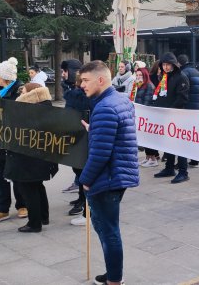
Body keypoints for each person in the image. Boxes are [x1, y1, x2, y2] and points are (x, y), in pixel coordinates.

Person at [77, 61, 141, 285]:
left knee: (108, 231)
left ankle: (114, 280)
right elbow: (115, 136)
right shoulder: (119, 100)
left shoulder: (104, 107)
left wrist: (85, 180)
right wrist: (94, 129)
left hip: (108, 177)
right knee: (107, 228)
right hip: (117, 174)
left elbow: (101, 153)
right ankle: (113, 273)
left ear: (101, 80)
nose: (82, 85)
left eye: (86, 80)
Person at [6, 83, 59, 232]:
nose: (20, 92)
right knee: (37, 186)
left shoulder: (27, 109)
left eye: (23, 90)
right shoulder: (44, 107)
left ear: (30, 93)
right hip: (39, 158)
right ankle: (43, 216)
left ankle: (34, 223)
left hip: (27, 158)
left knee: (29, 189)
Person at [0, 58, 26, 224]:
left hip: (14, 142)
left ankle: (22, 205)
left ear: (5, 77)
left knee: (16, 176)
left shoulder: (20, 91)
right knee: (0, 177)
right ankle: (2, 209)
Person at [150, 53, 191, 184]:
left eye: (168, 64)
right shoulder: (164, 77)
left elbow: (182, 98)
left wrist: (170, 110)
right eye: (164, 65)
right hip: (165, 115)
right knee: (168, 144)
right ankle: (169, 168)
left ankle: (183, 171)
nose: (166, 67)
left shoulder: (181, 77)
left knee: (179, 144)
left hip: (176, 115)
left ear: (173, 64)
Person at [61, 59, 92, 225]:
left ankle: (86, 205)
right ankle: (81, 198)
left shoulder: (82, 93)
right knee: (78, 170)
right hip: (75, 134)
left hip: (83, 136)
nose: (63, 74)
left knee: (83, 171)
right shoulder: (71, 90)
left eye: (65, 71)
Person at [177, 55, 199, 168]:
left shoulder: (183, 73)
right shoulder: (196, 72)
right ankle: (195, 159)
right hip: (196, 106)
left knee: (185, 136)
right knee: (193, 135)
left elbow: (184, 91)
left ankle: (183, 160)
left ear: (179, 63)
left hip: (187, 107)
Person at [133, 66, 159, 169]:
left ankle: (153, 159)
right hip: (139, 114)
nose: (138, 77)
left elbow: (147, 102)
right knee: (143, 138)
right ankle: (148, 157)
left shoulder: (148, 85)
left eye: (141, 75)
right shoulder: (138, 85)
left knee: (149, 138)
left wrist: (142, 111)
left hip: (146, 115)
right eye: (137, 75)